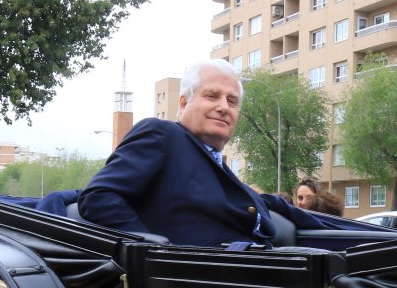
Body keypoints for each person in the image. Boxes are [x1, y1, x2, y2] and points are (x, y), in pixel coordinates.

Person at [78, 59, 274, 248]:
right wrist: (154, 252)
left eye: (232, 101)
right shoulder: (163, 134)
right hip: (198, 273)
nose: (223, 107)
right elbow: (99, 196)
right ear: (183, 103)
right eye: (212, 96)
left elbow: (269, 203)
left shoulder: (223, 171)